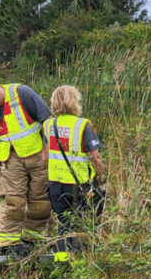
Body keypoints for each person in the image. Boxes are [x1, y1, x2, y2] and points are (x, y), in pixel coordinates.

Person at [0, 79, 51, 254]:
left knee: (41, 200)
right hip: (10, 159)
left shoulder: (22, 94)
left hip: (38, 156)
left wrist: (47, 150)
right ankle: (8, 243)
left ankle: (33, 238)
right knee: (13, 200)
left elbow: (48, 121)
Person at [41, 85, 106, 260]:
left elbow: (46, 155)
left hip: (55, 183)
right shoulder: (83, 124)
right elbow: (95, 156)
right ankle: (84, 262)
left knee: (63, 223)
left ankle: (61, 260)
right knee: (84, 222)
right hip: (79, 184)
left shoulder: (48, 125)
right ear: (74, 101)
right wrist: (102, 176)